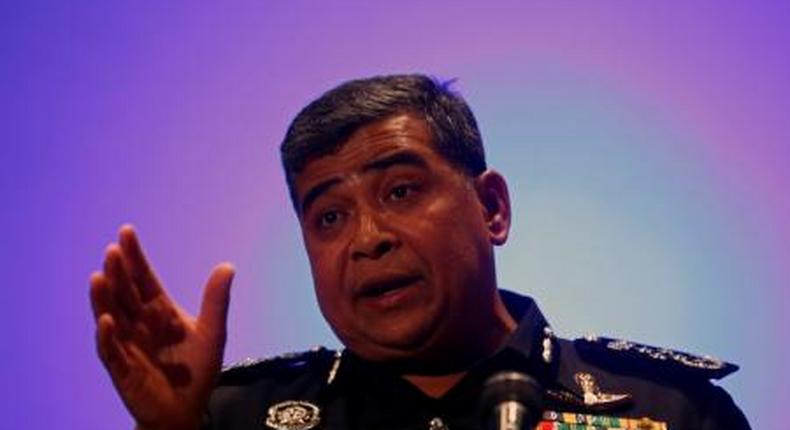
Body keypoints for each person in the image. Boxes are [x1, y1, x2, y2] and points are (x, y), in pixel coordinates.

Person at [90, 74, 751, 430]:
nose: (367, 237)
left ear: (491, 208)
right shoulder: (237, 418)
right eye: (328, 216)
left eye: (401, 190)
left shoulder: (669, 412)